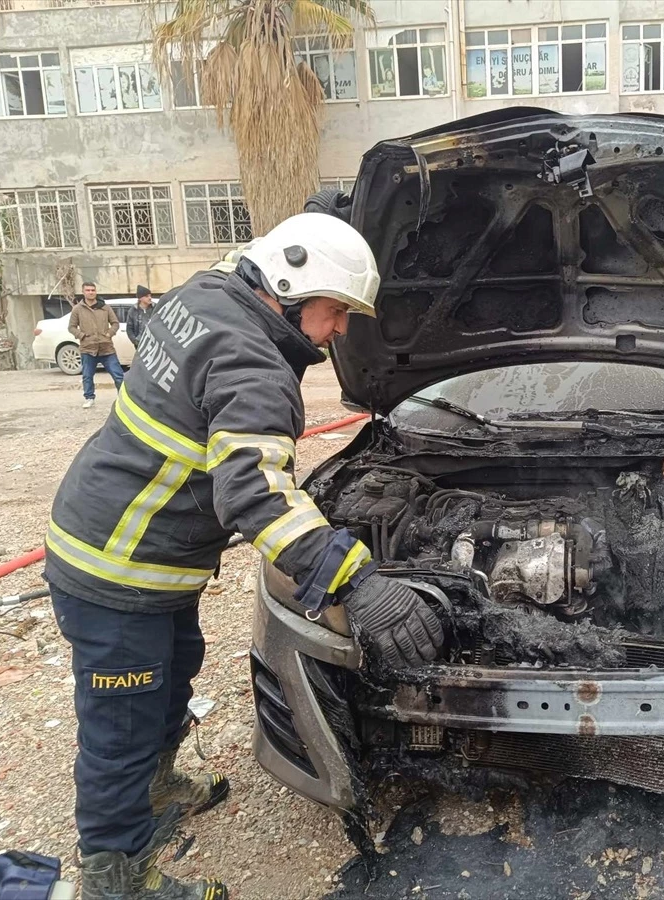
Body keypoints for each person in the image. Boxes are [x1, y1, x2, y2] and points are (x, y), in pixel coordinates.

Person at [46, 212, 444, 900]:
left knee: (174, 678)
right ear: (290, 288)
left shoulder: (204, 295)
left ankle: (160, 787)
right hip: (115, 571)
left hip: (138, 553)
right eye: (336, 311)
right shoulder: (255, 365)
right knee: (120, 729)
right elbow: (256, 497)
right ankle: (117, 881)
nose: (342, 330)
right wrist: (358, 580)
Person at [69, 282, 124, 409]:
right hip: (88, 348)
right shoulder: (78, 309)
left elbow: (115, 323)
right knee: (87, 375)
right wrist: (81, 335)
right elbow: (71, 327)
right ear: (83, 292)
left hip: (106, 347)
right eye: (88, 290)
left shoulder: (105, 307)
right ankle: (89, 398)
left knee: (118, 374)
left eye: (93, 290)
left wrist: (109, 333)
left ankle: (122, 397)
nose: (91, 292)